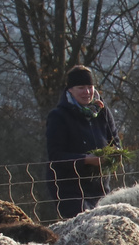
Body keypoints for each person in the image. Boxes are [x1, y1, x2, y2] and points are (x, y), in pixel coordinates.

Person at [44, 65, 120, 219]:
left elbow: (115, 142)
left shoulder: (102, 112)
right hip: (70, 190)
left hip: (100, 186)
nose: (87, 92)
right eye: (81, 87)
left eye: (90, 87)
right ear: (70, 90)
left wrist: (115, 155)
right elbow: (55, 155)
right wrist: (87, 160)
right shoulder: (58, 116)